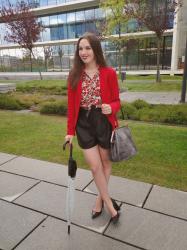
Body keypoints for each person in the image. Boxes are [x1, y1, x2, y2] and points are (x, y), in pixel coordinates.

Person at [65, 32, 121, 223]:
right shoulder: (74, 75)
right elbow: (71, 107)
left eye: (88, 47)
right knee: (95, 165)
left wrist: (110, 107)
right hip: (84, 124)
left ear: (95, 49)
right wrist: (69, 132)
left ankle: (100, 200)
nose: (83, 52)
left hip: (103, 121)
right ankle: (111, 206)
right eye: (80, 48)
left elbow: (117, 101)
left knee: (105, 163)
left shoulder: (109, 73)